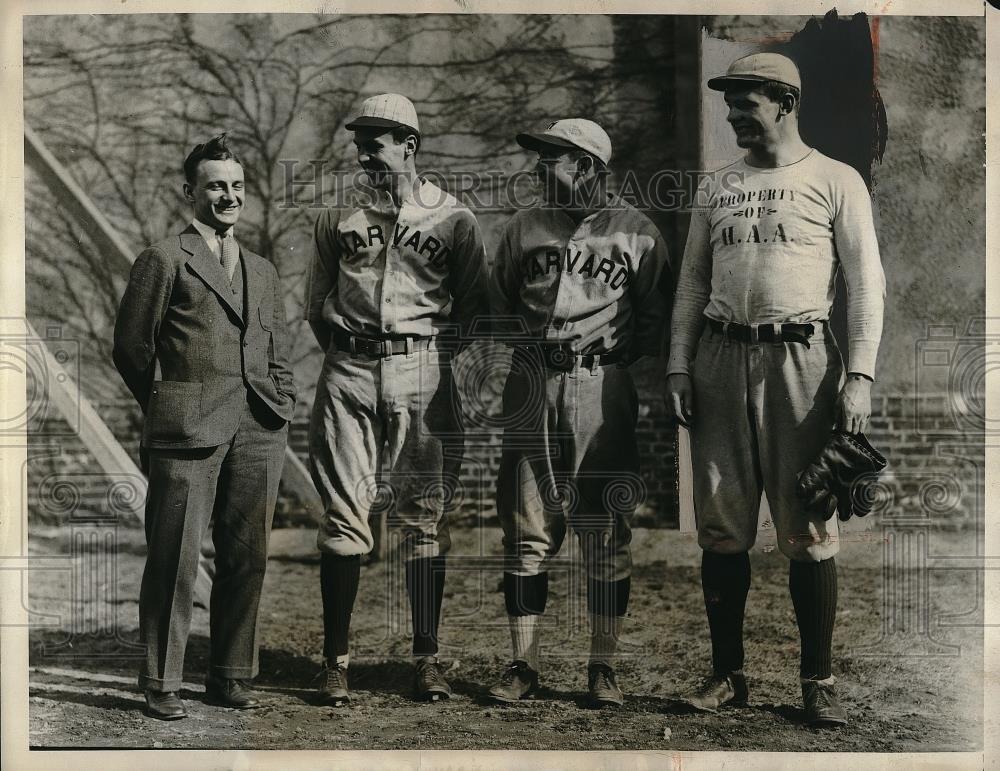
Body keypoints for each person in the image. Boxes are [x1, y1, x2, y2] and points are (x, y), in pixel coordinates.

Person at [666, 52, 886, 726]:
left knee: (809, 523)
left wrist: (860, 377)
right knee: (722, 523)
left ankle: (815, 680)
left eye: (745, 102)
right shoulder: (719, 184)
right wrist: (678, 364)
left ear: (784, 102)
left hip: (802, 361)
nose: (732, 114)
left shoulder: (835, 179)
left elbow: (866, 282)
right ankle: (729, 673)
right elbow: (694, 281)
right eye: (729, 103)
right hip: (721, 358)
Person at [305, 93, 489, 705]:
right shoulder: (339, 216)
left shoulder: (453, 219)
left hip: (422, 370)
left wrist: (430, 357)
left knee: (422, 519)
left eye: (376, 142)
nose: (365, 155)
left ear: (409, 144)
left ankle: (427, 659)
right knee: (343, 516)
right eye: (360, 143)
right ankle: (336, 661)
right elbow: (315, 303)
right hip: (350, 369)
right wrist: (348, 352)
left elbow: (474, 308)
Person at [487, 118, 670, 708]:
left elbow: (654, 321)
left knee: (606, 528)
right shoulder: (522, 227)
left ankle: (603, 667)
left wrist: (612, 357)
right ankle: (522, 664)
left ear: (588, 166)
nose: (540, 166)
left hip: (600, 385)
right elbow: (498, 303)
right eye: (540, 156)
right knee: (525, 525)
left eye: (553, 157)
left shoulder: (636, 232)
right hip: (532, 379)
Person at [113, 134, 296, 720]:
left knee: (248, 555)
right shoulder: (164, 258)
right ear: (190, 190)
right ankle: (162, 680)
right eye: (216, 185)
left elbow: (278, 349)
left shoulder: (263, 270)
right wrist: (168, 402)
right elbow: (131, 348)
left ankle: (230, 674)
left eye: (237, 186)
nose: (228, 195)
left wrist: (281, 400)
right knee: (176, 556)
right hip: (186, 430)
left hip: (259, 428)